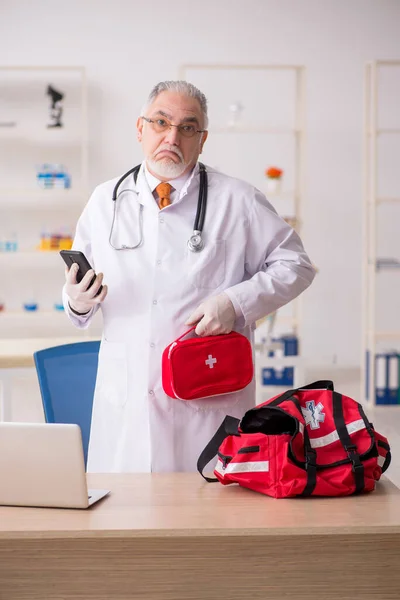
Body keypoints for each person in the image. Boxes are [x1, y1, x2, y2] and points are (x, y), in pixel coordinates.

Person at [63, 80, 316, 473]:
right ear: (140, 129)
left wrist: (234, 303)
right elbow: (78, 294)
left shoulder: (238, 200)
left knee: (204, 520)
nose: (172, 136)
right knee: (122, 521)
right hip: (126, 394)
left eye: (187, 127)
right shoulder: (104, 200)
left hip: (206, 397)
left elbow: (296, 265)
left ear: (203, 138)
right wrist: (77, 300)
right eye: (161, 122)